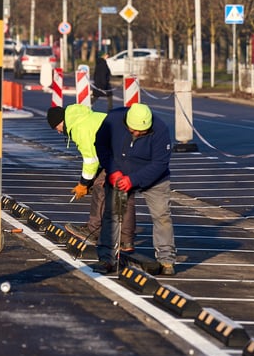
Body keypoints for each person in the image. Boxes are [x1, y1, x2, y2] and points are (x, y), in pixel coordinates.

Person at [93, 103, 176, 275]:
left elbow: (160, 163)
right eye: (133, 131)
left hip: (153, 179)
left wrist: (133, 180)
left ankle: (166, 260)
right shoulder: (113, 120)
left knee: (162, 216)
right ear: (126, 123)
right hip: (119, 173)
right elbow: (100, 145)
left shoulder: (160, 130)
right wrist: (113, 171)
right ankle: (107, 258)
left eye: (141, 132)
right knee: (113, 215)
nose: (137, 134)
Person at [47, 105, 137, 252]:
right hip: (128, 150)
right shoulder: (83, 119)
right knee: (123, 195)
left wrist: (83, 184)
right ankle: (126, 241)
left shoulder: (80, 129)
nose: (58, 131)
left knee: (100, 187)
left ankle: (94, 231)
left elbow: (91, 160)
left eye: (56, 127)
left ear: (61, 121)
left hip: (121, 154)